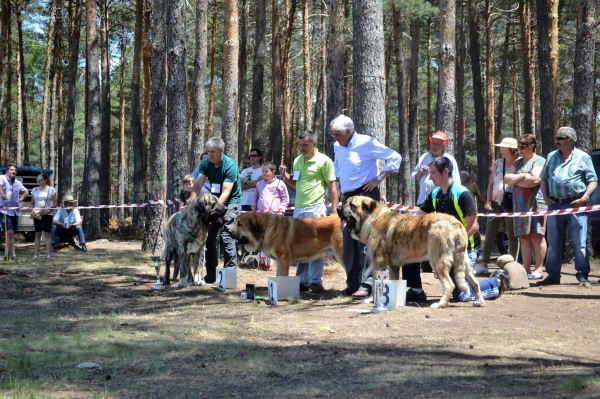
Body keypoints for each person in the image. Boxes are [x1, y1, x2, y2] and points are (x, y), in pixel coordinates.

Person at [331, 114, 402, 298]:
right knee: (349, 241)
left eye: (337, 134)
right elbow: (339, 169)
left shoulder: (366, 142)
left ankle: (367, 283)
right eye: (333, 135)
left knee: (367, 241)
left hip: (365, 194)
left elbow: (394, 157)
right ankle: (352, 283)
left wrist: (378, 179)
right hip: (347, 196)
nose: (335, 138)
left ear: (348, 131)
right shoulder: (337, 146)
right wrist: (341, 195)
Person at [405, 156, 482, 302]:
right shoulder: (435, 194)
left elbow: (473, 226)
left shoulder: (463, 194)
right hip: (445, 247)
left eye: (433, 173)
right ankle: (416, 289)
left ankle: (496, 282)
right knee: (410, 251)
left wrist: (452, 246)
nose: (430, 177)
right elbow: (416, 216)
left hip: (467, 246)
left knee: (461, 295)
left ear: (445, 172)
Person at [280, 131, 338, 293]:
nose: (301, 148)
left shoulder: (324, 161)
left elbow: (332, 186)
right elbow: (295, 185)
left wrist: (334, 210)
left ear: (314, 144)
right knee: (299, 245)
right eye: (299, 145)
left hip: (316, 207)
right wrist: (285, 176)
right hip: (299, 208)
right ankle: (302, 281)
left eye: (305, 145)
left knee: (316, 245)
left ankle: (315, 281)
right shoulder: (298, 161)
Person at [539, 127, 598, 286]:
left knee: (580, 243)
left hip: (576, 205)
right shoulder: (551, 157)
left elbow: (593, 180)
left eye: (560, 137)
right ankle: (552, 275)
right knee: (553, 241)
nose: (556, 141)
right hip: (555, 204)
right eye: (556, 137)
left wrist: (585, 197)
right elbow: (543, 178)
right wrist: (545, 197)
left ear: (570, 139)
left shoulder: (583, 157)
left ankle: (582, 276)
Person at [189, 137, 242, 284]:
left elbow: (226, 192)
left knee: (227, 234)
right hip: (214, 202)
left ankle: (229, 274)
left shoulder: (230, 165)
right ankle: (211, 273)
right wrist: (191, 200)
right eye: (208, 151)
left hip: (231, 202)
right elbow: (198, 184)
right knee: (209, 236)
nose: (210, 154)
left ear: (221, 151)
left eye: (213, 151)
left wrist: (213, 210)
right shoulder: (206, 162)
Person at [409, 131, 461, 274]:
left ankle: (442, 263)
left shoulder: (449, 159)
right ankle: (425, 264)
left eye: (438, 144)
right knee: (422, 233)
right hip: (424, 201)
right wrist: (420, 173)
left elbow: (455, 180)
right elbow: (413, 180)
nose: (434, 146)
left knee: (439, 233)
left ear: (444, 146)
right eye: (433, 143)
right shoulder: (424, 157)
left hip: (442, 200)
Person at [504, 134, 546, 280]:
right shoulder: (517, 162)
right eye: (518, 147)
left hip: (535, 203)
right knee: (524, 236)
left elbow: (535, 180)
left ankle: (539, 269)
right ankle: (526, 270)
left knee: (536, 235)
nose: (519, 150)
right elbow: (507, 179)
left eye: (522, 146)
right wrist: (523, 176)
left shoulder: (539, 160)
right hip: (519, 204)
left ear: (531, 146)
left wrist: (516, 180)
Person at [476, 137, 520, 273]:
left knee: (512, 235)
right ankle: (484, 263)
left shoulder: (520, 163)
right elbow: (491, 183)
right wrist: (488, 200)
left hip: (512, 202)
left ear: (512, 149)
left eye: (503, 147)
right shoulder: (497, 163)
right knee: (490, 233)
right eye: (500, 147)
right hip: (495, 202)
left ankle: (512, 265)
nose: (501, 150)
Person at [252, 162, 289, 271]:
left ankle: (273, 259)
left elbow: (285, 199)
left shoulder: (280, 184)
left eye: (266, 171)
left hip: (275, 216)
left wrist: (280, 210)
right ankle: (263, 259)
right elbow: (256, 196)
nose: (264, 173)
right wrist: (254, 206)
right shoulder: (259, 184)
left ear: (273, 172)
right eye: (262, 171)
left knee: (274, 237)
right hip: (261, 216)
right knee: (262, 236)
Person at [0, 164, 29, 260]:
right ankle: (13, 255)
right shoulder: (2, 178)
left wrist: (20, 199)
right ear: (7, 171)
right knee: (10, 232)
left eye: (15, 170)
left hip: (15, 211)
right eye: (12, 170)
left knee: (11, 233)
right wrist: (2, 194)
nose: (14, 172)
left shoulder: (17, 182)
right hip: (4, 210)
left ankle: (5, 255)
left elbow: (26, 192)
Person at [31, 173, 58, 259]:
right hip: (37, 214)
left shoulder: (51, 189)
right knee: (37, 233)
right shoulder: (34, 190)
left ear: (46, 180)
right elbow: (32, 203)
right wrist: (33, 210)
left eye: (40, 179)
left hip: (48, 214)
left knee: (47, 234)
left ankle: (48, 254)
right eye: (37, 179)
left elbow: (55, 203)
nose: (38, 180)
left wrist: (48, 210)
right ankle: (36, 254)